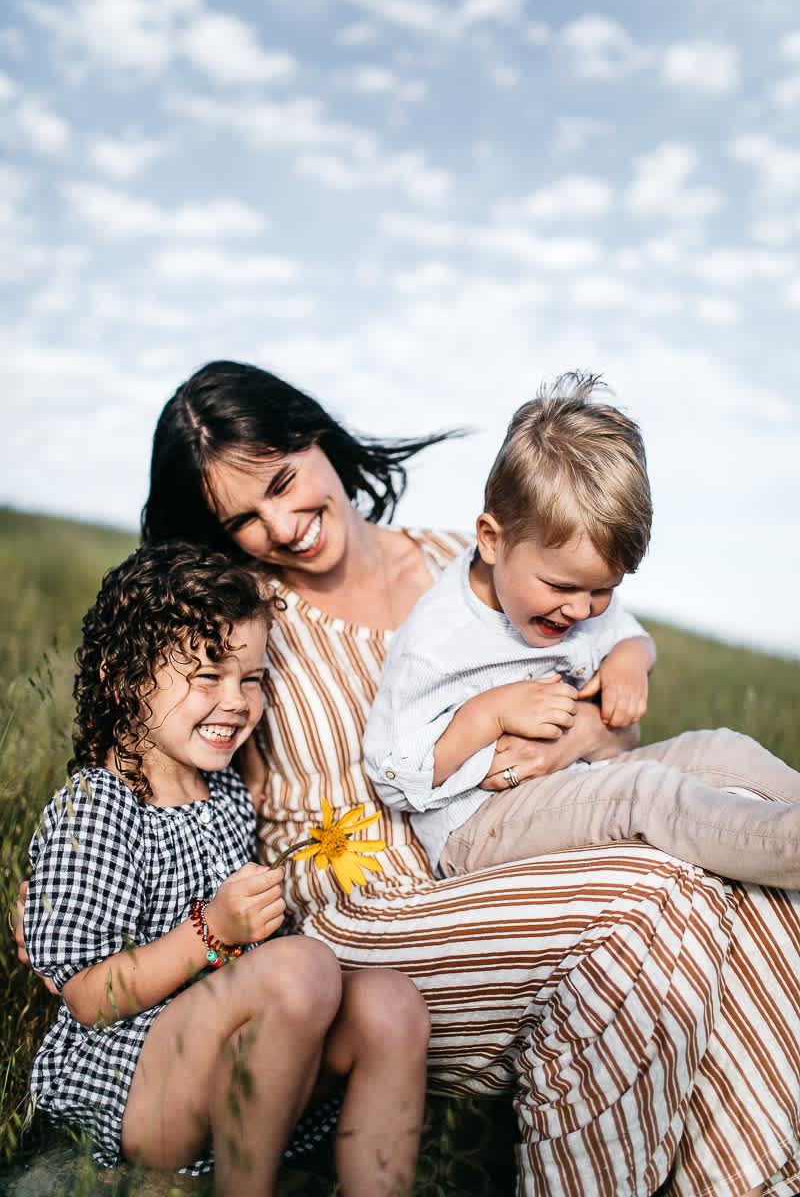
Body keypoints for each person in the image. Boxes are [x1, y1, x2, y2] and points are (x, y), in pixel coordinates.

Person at [16, 358, 800, 1196]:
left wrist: (561, 742)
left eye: (283, 481)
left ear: (315, 437)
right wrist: (86, 874)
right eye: (243, 517)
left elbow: (614, 718)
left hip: (513, 851)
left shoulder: (465, 564)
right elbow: (155, 730)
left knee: (733, 874)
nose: (281, 525)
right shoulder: (241, 616)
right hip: (362, 921)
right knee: (651, 893)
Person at [22, 542, 429, 1197]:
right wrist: (211, 932)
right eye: (207, 677)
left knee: (392, 1003)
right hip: (130, 1092)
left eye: (251, 679)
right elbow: (88, 996)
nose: (237, 701)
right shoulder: (98, 808)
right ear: (126, 679)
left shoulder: (228, 791)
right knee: (303, 966)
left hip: (225, 1067)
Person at [363, 374, 800, 884]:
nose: (580, 610)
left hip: (580, 782)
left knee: (719, 749)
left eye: (602, 590)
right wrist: (489, 713)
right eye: (560, 587)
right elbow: (391, 776)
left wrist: (631, 660)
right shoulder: (434, 643)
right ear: (490, 540)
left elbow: (627, 633)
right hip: (480, 827)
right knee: (644, 794)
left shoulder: (575, 597)